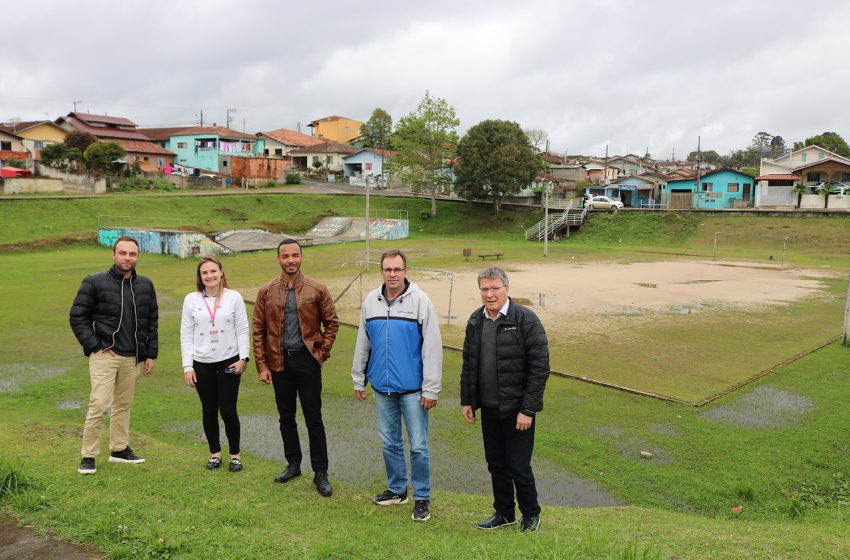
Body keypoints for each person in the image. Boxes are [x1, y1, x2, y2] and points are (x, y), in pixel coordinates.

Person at [351, 249, 443, 522]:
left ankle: (422, 497)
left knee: (418, 446)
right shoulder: (371, 301)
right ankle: (397, 489)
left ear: (405, 271)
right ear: (381, 271)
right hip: (382, 388)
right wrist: (359, 378)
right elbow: (362, 342)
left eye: (397, 269)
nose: (392, 274)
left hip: (413, 390)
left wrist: (431, 388)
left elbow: (432, 347)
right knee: (389, 442)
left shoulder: (420, 301)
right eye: (387, 269)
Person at [460, 266, 549, 532]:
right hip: (488, 408)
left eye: (494, 288)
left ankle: (531, 514)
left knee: (519, 466)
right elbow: (469, 364)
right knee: (496, 464)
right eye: (484, 289)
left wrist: (527, 410)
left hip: (517, 411)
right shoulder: (476, 321)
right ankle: (504, 513)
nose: (489, 294)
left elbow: (540, 368)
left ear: (506, 289)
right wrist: (467, 401)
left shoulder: (525, 320)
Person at [253, 239, 339, 497]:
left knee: (314, 418)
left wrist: (322, 352)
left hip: (307, 361)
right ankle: (293, 464)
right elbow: (258, 330)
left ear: (301, 257)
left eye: (295, 255)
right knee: (286, 417)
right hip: (279, 362)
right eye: (285, 256)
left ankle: (320, 472)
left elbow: (332, 323)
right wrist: (261, 365)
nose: (290, 260)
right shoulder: (266, 291)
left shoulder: (317, 289)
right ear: (278, 259)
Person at [70, 236, 158, 475]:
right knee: (98, 404)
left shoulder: (145, 285)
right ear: (114, 254)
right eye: (123, 253)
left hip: (132, 357)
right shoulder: (94, 282)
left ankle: (119, 450)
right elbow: (77, 317)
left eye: (132, 254)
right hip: (104, 355)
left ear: (137, 257)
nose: (127, 258)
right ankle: (88, 455)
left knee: (123, 405)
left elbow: (152, 321)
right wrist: (96, 345)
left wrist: (150, 353)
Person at [180, 257, 250, 472]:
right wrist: (187, 367)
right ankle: (215, 454)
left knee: (228, 410)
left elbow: (242, 329)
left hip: (229, 361)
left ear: (221, 272)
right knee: (209, 410)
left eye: (213, 271)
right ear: (200, 277)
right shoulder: (191, 300)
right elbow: (186, 334)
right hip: (202, 364)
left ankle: (235, 456)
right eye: (204, 273)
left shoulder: (234, 297)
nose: (209, 276)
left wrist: (244, 359)